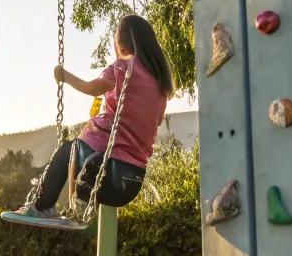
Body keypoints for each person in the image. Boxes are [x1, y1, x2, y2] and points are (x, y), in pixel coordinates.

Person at [13, 14, 173, 221]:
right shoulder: (161, 84)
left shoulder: (122, 66)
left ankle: (42, 207)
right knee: (78, 154)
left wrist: (65, 76)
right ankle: (74, 210)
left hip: (105, 171)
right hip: (131, 182)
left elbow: (92, 88)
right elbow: (154, 121)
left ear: (122, 46)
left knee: (68, 150)